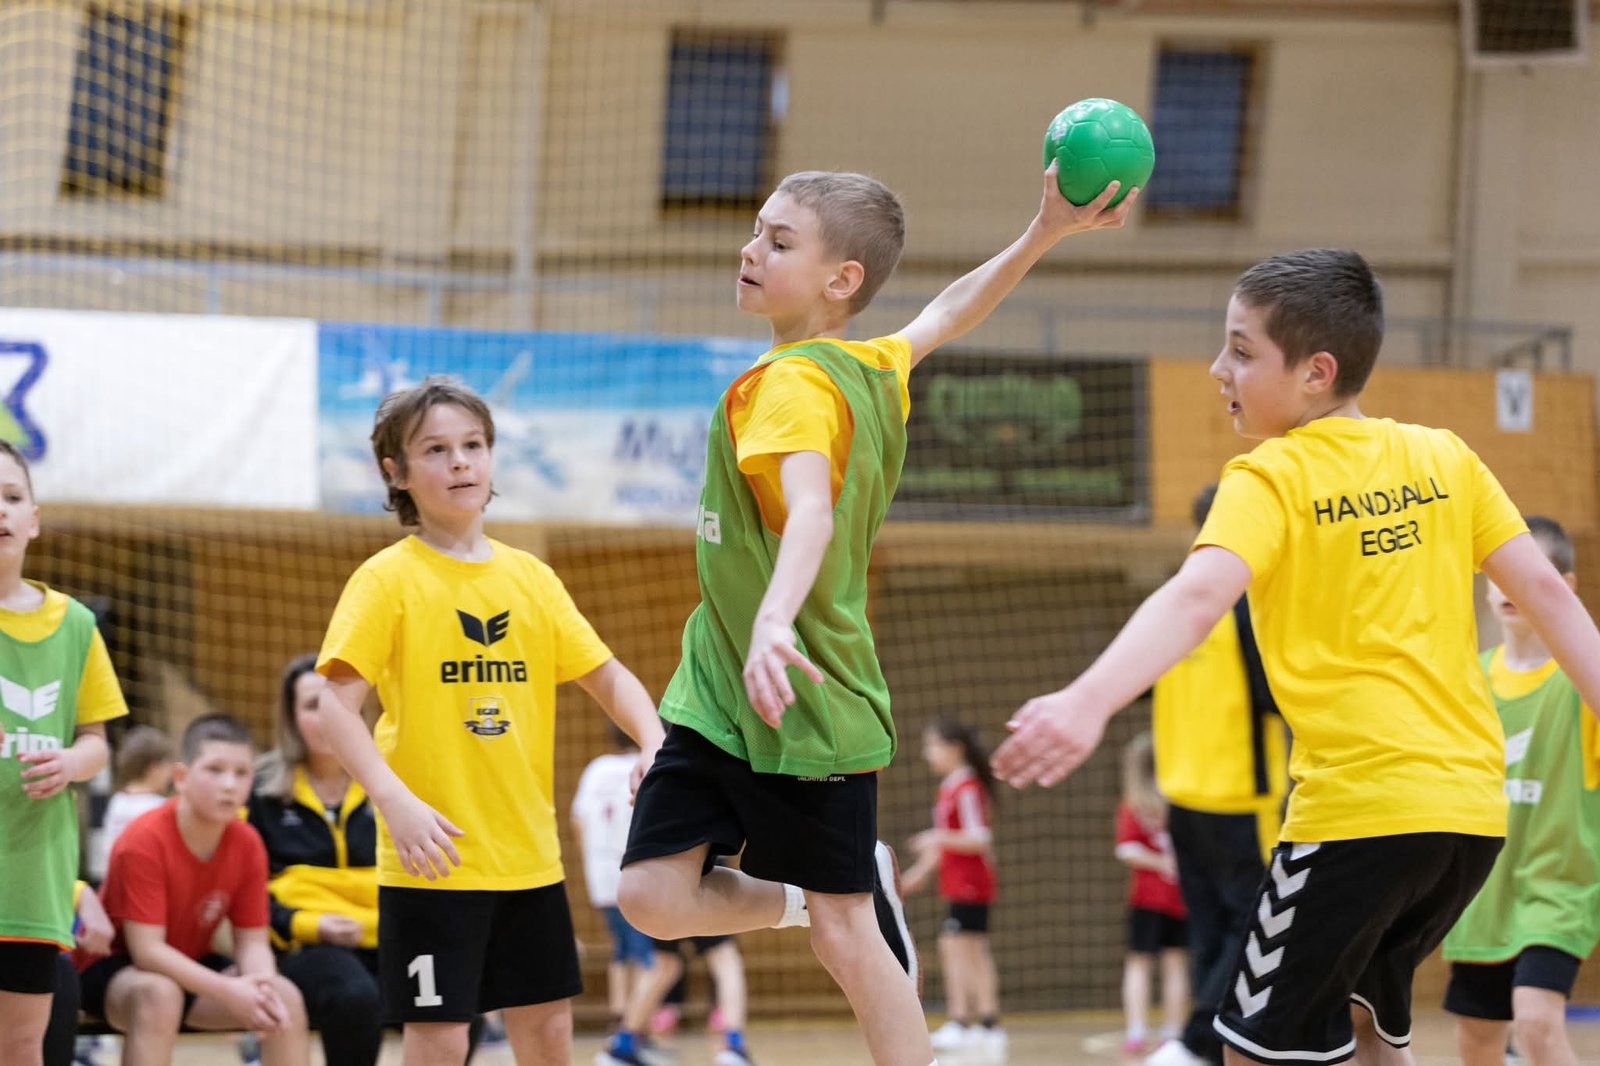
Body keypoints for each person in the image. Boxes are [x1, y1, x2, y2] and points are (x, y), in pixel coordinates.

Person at [993, 247, 1600, 1066]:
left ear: (1317, 372)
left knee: (1250, 1050)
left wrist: (1089, 699)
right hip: (1467, 818)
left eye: (1242, 351)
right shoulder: (1444, 457)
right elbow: (1552, 597)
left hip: (1358, 814)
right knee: (1367, 1033)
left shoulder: (1268, 476)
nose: (1219, 368)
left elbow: (1195, 597)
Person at [615, 161, 1135, 1066]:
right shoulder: (869, 364)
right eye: (757, 230)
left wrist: (775, 619)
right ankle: (801, 896)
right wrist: (1044, 230)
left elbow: (810, 512)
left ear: (841, 279)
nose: (751, 249)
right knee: (651, 897)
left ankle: (861, 916)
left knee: (846, 935)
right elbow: (949, 312)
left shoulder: (792, 386)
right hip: (716, 689)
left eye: (780, 241)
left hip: (809, 695)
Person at [316, 375, 667, 1066]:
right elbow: (335, 705)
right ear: (396, 472)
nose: (460, 462)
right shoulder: (385, 580)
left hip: (528, 858)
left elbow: (607, 675)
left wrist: (654, 740)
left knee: (549, 1034)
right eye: (436, 449)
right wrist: (393, 800)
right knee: (443, 1039)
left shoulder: (531, 578)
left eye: (473, 445)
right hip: (432, 862)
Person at [1442, 516, 1600, 1066]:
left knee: (1535, 1024)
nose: (1509, 588)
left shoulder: (1585, 681)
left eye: (1526, 575)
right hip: (1483, 893)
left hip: (1556, 891)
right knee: (1477, 1040)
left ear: (1565, 586)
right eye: (1498, 575)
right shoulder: (1470, 680)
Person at [1145, 484, 1289, 1066]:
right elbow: (1276, 696)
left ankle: (1204, 1046)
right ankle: (1201, 1040)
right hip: (1240, 797)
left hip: (1181, 793)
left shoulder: (1170, 600)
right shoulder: (1246, 603)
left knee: (1209, 927)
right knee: (1255, 925)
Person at [77, 712, 310, 1066]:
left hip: (189, 966)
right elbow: (147, 952)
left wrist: (260, 987)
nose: (230, 784)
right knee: (160, 994)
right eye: (215, 770)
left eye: (242, 773)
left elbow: (252, 942)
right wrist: (228, 991)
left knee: (284, 997)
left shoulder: (247, 842)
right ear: (181, 777)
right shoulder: (144, 838)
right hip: (114, 969)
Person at [0, 438, 128, 1066]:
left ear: (34, 519)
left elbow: (96, 742)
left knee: (21, 1043)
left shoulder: (75, 624)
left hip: (32, 867)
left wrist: (72, 762)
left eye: (11, 496)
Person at [247, 653, 383, 1066]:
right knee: (354, 996)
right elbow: (243, 890)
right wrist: (307, 924)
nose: (327, 717)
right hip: (303, 946)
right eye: (311, 705)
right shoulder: (259, 793)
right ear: (290, 718)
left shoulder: (391, 785)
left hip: (387, 938)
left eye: (338, 704)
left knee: (460, 1003)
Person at [902, 715, 1003, 1057]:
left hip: (972, 880)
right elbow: (945, 842)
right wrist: (918, 873)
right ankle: (978, 1023)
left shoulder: (967, 787)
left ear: (955, 748)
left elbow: (979, 837)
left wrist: (937, 837)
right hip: (957, 880)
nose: (927, 753)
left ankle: (975, 1023)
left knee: (964, 947)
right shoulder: (949, 788)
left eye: (932, 745)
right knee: (961, 947)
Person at [570, 723, 651, 1029]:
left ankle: (620, 1015)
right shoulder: (646, 766)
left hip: (601, 873)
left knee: (622, 947)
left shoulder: (596, 768)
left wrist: (592, 861)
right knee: (647, 955)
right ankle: (634, 1029)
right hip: (635, 869)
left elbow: (578, 821)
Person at [1114, 733, 1188, 1059]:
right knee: (1175, 964)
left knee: (1139, 963)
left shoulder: (1134, 805)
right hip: (1179, 897)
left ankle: (1136, 1031)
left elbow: (1126, 849)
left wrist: (1157, 862)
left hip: (1147, 898)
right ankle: (1172, 1033)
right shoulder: (1180, 802)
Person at [600, 932, 753, 1066]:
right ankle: (734, 1044)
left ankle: (623, 1044)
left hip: (661, 910)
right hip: (696, 907)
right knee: (724, 957)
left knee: (665, 966)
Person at [88, 725, 173, 884]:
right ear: (154, 768)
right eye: (168, 766)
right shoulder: (160, 807)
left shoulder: (117, 801)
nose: (170, 774)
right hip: (145, 882)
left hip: (113, 880)